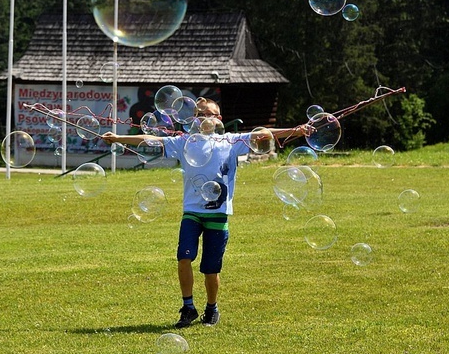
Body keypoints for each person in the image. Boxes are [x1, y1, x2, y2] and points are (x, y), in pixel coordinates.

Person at [101, 98, 309, 328]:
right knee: (184, 257)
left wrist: (295, 131)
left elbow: (266, 134)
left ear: (219, 119)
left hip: (218, 212)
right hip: (192, 211)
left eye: (209, 113)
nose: (204, 117)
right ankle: (188, 307)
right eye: (199, 114)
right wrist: (118, 138)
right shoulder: (184, 142)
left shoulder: (231, 141)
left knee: (210, 269)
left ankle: (212, 308)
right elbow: (151, 139)